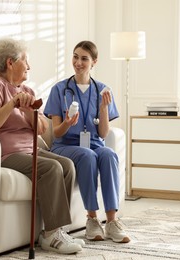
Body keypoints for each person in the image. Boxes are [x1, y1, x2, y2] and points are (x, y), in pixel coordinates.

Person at [0, 38, 84, 254]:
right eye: (25, 60)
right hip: (6, 153)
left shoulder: (27, 90)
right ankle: (51, 235)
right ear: (10, 63)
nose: (29, 66)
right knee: (51, 168)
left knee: (68, 165)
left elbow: (41, 129)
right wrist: (12, 104)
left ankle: (55, 230)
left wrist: (27, 111)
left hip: (31, 150)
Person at [44, 40, 130, 243]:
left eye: (84, 58)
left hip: (94, 143)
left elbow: (103, 133)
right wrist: (67, 122)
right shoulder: (59, 89)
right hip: (65, 146)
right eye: (75, 56)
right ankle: (91, 219)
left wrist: (103, 110)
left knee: (108, 154)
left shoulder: (103, 90)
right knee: (88, 155)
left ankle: (111, 222)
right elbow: (56, 133)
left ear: (94, 62)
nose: (78, 62)